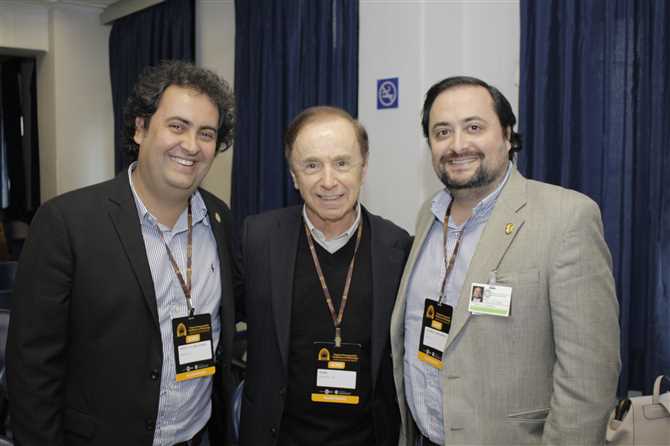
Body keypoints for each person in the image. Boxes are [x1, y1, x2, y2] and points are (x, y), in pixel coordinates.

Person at [7, 61, 237, 446]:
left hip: (196, 436)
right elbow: (32, 369)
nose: (192, 145)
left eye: (206, 133)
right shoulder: (66, 223)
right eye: (177, 126)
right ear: (140, 128)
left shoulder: (220, 219)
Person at [389, 76, 620, 445]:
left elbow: (589, 376)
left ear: (508, 135)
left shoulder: (566, 217)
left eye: (474, 127)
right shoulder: (427, 216)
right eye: (442, 132)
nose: (457, 145)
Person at [235, 106, 411, 446]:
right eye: (312, 165)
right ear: (294, 176)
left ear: (363, 169)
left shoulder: (396, 246)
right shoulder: (257, 239)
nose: (328, 181)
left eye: (342, 163)